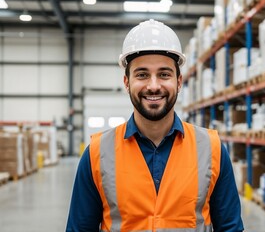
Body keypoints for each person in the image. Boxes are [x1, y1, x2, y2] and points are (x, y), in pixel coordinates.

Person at [66, 19, 244, 232]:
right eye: (142, 74)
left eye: (164, 74)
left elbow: (230, 228)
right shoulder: (97, 153)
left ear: (178, 82)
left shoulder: (211, 149)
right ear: (127, 82)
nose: (153, 86)